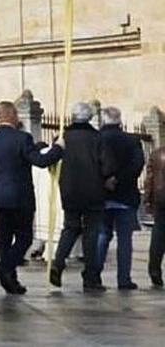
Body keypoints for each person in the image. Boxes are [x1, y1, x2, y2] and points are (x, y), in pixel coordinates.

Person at [0, 100, 62, 294]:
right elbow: (40, 161)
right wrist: (58, 148)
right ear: (12, 115)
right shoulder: (22, 138)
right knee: (24, 238)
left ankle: (10, 281)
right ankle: (5, 268)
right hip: (20, 196)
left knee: (5, 240)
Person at [50, 102, 115, 291]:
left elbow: (52, 160)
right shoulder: (97, 138)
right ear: (89, 118)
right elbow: (107, 166)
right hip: (93, 191)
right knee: (91, 233)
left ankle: (59, 262)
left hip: (69, 190)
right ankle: (90, 276)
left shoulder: (62, 137)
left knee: (70, 228)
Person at [95, 107, 144, 290]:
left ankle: (94, 275)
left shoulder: (96, 139)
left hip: (102, 195)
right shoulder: (132, 140)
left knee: (102, 236)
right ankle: (124, 279)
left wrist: (105, 180)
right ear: (120, 120)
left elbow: (92, 164)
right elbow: (137, 165)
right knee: (125, 240)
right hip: (126, 195)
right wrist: (119, 179)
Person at [146, 139, 165, 288]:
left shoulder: (157, 154)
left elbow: (150, 180)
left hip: (161, 199)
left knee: (158, 236)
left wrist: (147, 200)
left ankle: (154, 271)